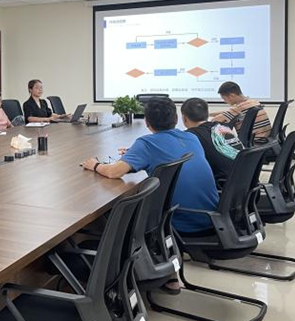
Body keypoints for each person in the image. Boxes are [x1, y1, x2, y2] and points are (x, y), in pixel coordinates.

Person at [81, 97, 219, 292]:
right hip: (210, 216)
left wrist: (94, 165)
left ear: (147, 122)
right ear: (176, 118)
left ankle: (118, 271)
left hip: (179, 222)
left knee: (117, 210)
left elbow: (113, 172)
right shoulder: (190, 137)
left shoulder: (146, 143)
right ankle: (168, 273)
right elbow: (163, 151)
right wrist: (134, 156)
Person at [181, 98, 244, 185]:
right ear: (207, 115)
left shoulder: (190, 136)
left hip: (223, 186)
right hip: (246, 181)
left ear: (184, 118)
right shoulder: (223, 127)